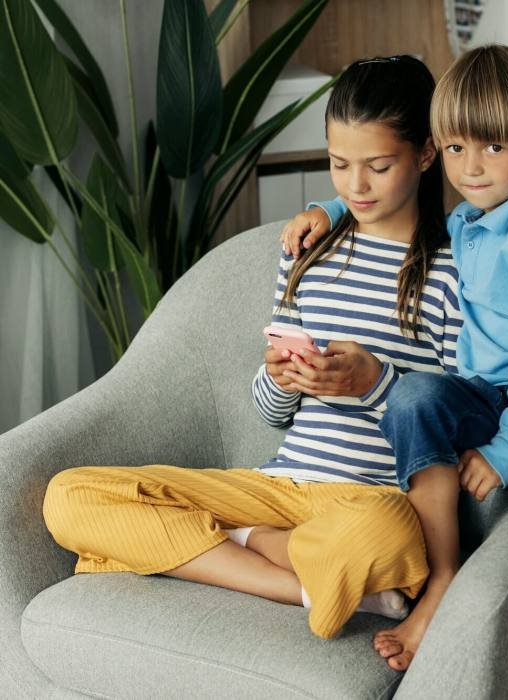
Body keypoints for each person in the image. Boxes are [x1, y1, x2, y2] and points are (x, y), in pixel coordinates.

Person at [42, 55, 465, 643]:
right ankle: (300, 582)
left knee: (384, 538)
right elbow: (270, 413)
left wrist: (374, 385)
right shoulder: (308, 252)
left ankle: (237, 547)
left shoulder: (452, 274)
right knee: (70, 496)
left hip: (370, 502)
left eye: (378, 166)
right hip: (278, 487)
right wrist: (280, 378)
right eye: (339, 164)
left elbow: (460, 418)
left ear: (425, 154)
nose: (355, 186)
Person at [281, 44, 508, 694]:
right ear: (435, 151)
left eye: (492, 148)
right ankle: (442, 577)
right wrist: (328, 211)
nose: (471, 168)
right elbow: (384, 197)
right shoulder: (474, 221)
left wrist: (505, 452)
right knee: (417, 398)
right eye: (455, 149)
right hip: (502, 394)